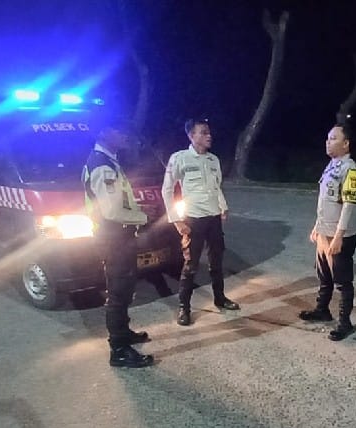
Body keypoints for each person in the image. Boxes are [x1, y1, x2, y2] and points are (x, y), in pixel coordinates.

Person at [82, 118, 154, 368]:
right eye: (119, 130)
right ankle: (119, 350)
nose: (125, 135)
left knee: (124, 288)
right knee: (118, 292)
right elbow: (111, 211)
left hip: (118, 236)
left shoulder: (108, 161)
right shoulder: (102, 166)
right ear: (105, 132)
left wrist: (137, 210)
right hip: (113, 237)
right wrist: (143, 217)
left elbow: (117, 202)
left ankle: (124, 333)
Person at [161, 118, 240, 327]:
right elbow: (167, 190)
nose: (209, 136)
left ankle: (220, 298)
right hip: (193, 219)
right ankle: (184, 308)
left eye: (209, 132)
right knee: (191, 265)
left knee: (217, 262)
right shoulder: (180, 158)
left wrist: (223, 207)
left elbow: (216, 186)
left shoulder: (213, 160)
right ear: (191, 136)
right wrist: (176, 221)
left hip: (214, 219)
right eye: (203, 132)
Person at [298, 123, 356, 341]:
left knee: (342, 281)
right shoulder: (332, 165)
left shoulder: (351, 170)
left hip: (340, 236)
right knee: (324, 275)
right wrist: (317, 227)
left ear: (346, 144)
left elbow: (349, 205)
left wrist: (338, 236)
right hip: (324, 233)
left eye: (334, 138)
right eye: (328, 138)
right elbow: (325, 201)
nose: (328, 142)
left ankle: (345, 322)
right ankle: (322, 310)